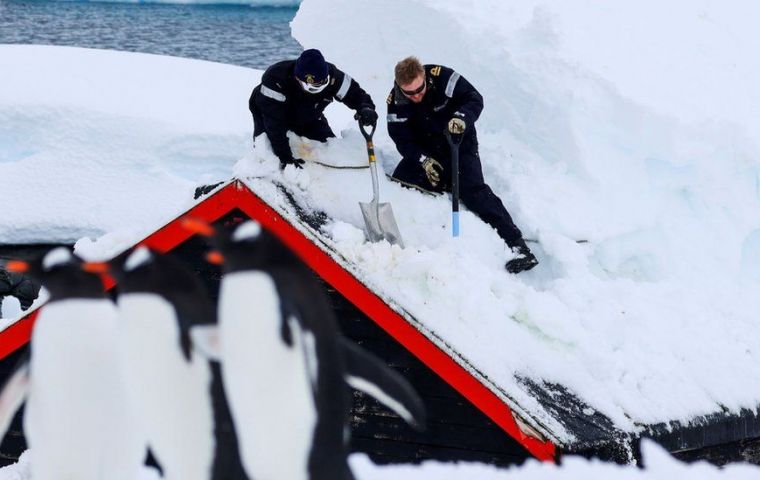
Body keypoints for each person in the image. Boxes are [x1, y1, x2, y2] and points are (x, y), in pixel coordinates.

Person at [386, 57, 538, 274]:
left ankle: (518, 246)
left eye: (420, 89)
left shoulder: (444, 77)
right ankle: (409, 243)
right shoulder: (395, 101)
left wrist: (462, 118)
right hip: (428, 149)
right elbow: (401, 139)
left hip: (458, 141)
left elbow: (474, 98)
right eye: (410, 93)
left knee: (472, 190)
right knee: (401, 181)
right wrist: (423, 160)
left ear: (424, 77)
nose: (417, 96)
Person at [249, 48, 378, 170]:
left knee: (328, 147)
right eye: (313, 86)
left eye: (322, 83)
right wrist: (285, 157)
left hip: (309, 113)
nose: (318, 87)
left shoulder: (335, 77)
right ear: (298, 78)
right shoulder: (275, 79)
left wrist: (366, 108)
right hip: (270, 112)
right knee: (269, 152)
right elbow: (274, 124)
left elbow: (356, 94)